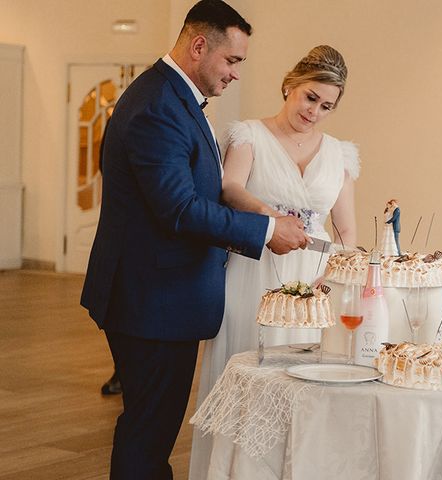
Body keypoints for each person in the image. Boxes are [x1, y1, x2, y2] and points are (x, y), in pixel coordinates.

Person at [80, 1, 308, 478]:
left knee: (153, 428)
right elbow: (178, 209)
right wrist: (265, 232)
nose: (236, 74)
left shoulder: (173, 98)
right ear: (198, 45)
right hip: (151, 300)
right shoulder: (157, 108)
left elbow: (200, 191)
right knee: (149, 431)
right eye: (232, 60)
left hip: (162, 296)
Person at [189, 45, 359, 479]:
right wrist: (273, 219)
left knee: (304, 379)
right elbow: (229, 189)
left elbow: (346, 230)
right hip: (256, 266)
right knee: (249, 365)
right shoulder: (248, 134)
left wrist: (333, 274)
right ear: (290, 85)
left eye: (326, 106)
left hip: (314, 278)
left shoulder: (339, 153)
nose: (315, 111)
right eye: (309, 97)